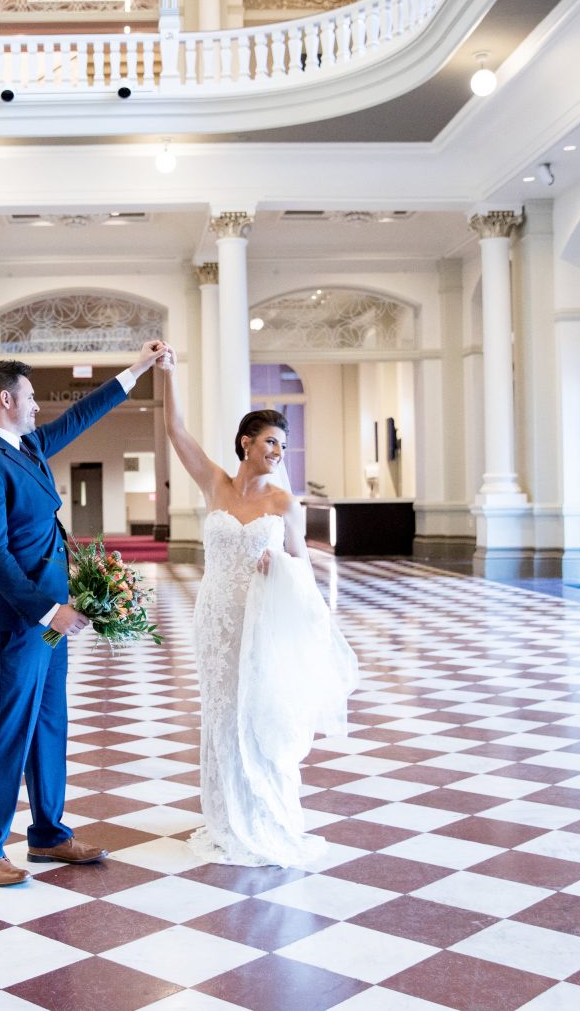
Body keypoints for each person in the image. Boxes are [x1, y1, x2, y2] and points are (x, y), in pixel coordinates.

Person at [0, 341, 167, 886]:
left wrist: (137, 370)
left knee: (49, 724)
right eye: (28, 398)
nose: (36, 408)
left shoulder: (29, 448)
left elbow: (80, 415)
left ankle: (48, 834)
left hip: (50, 621)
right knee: (5, 730)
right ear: (5, 399)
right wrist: (48, 609)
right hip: (14, 620)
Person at [156, 345, 358, 867]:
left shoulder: (284, 504)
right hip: (216, 617)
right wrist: (169, 373)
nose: (278, 452)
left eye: (284, 445)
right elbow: (176, 431)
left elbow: (303, 567)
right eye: (271, 441)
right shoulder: (216, 485)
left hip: (261, 620)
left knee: (257, 711)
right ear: (246, 442)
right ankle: (225, 815)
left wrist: (281, 566)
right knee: (221, 713)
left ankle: (265, 813)